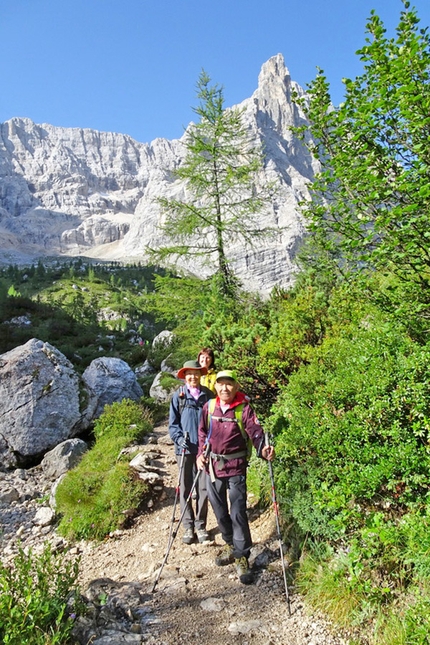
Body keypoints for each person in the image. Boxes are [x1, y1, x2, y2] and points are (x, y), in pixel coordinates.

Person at [196, 370, 275, 584]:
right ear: (215, 387)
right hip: (212, 466)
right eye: (220, 384)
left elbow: (256, 431)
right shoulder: (209, 407)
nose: (224, 388)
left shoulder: (244, 409)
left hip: (236, 466)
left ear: (236, 386)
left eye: (229, 384)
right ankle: (230, 544)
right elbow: (202, 432)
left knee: (238, 510)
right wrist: (199, 455)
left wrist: (263, 449)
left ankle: (242, 555)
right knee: (219, 508)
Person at [169, 360, 215, 544]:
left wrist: (210, 443)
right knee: (185, 486)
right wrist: (181, 440)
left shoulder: (208, 395)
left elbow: (214, 422)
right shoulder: (178, 397)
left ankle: (201, 525)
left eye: (196, 373)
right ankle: (188, 526)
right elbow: (173, 426)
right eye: (189, 374)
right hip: (184, 449)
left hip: (204, 450)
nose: (193, 377)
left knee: (203, 487)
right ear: (184, 376)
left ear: (200, 375)